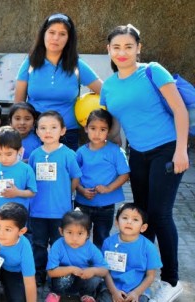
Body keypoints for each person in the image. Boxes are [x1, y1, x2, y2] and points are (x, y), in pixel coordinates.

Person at [100, 24, 188, 302]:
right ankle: (141, 278)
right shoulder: (109, 86)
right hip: (137, 154)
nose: (122, 52)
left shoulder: (152, 71)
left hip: (167, 149)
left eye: (128, 46)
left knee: (160, 215)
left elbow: (179, 110)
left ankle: (172, 281)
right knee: (143, 217)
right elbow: (114, 128)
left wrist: (182, 151)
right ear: (109, 50)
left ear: (138, 47)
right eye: (116, 47)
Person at [14, 13, 102, 151]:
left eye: (62, 34)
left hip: (67, 135)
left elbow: (107, 93)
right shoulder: (30, 63)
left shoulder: (77, 65)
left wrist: (112, 128)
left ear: (69, 39)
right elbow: (18, 103)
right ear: (43, 34)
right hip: (35, 134)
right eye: (52, 32)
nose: (56, 38)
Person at [28, 111, 82, 285]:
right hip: (37, 211)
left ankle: (57, 277)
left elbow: (76, 177)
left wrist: (66, 192)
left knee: (59, 246)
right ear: (37, 131)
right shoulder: (35, 155)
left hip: (60, 211)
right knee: (38, 245)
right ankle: (38, 274)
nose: (48, 131)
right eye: (43, 128)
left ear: (63, 131)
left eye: (53, 127)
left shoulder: (68, 154)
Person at [75, 109, 129, 248]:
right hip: (82, 203)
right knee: (79, 235)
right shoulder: (81, 152)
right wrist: (81, 190)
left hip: (106, 205)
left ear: (109, 131)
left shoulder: (115, 151)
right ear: (86, 129)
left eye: (102, 129)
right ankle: (81, 264)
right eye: (93, 128)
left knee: (102, 237)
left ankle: (99, 267)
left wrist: (108, 188)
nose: (97, 133)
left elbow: (125, 174)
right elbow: (74, 175)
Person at [98, 204, 162, 302]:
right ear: (116, 222)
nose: (129, 222)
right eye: (125, 218)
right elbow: (105, 271)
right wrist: (114, 292)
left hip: (137, 289)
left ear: (143, 227)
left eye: (135, 220)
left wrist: (136, 293)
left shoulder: (148, 247)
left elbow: (150, 276)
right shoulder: (108, 243)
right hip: (111, 287)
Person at [0, 126, 37, 229]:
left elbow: (32, 192)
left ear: (19, 151)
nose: (3, 158)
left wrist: (17, 192)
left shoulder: (26, 169)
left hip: (14, 220)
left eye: (8, 154)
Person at [45, 210, 108, 302]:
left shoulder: (90, 248)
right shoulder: (58, 245)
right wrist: (71, 269)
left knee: (96, 278)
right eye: (69, 232)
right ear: (61, 231)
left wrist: (93, 270)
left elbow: (105, 270)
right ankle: (56, 294)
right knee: (62, 278)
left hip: (82, 278)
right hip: (62, 280)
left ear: (88, 234)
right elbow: (51, 272)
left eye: (80, 233)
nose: (74, 238)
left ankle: (86, 295)